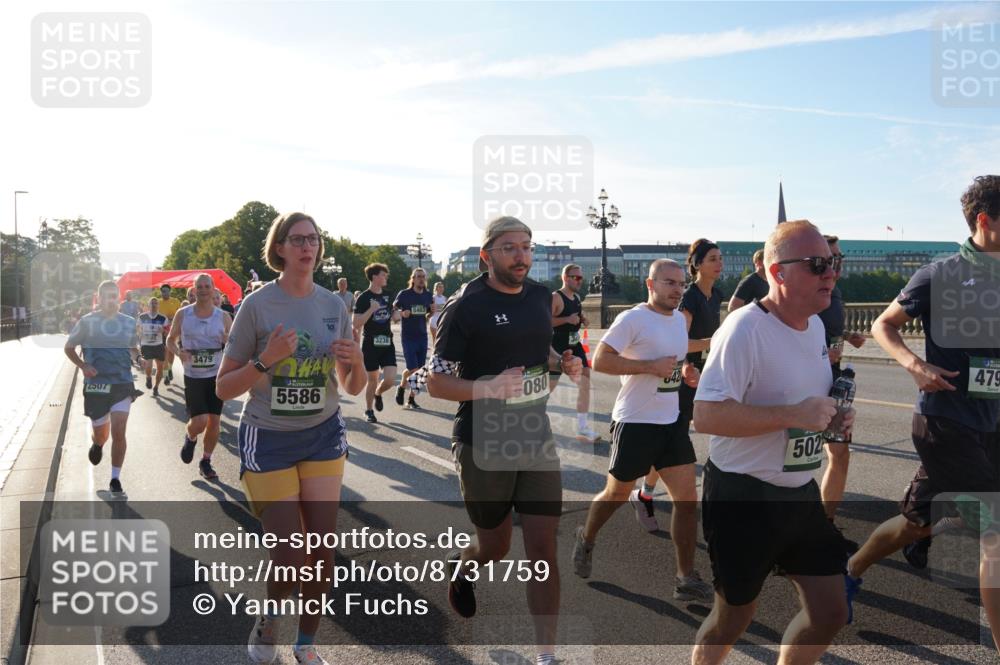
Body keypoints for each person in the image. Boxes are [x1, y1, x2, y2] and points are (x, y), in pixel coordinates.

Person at [691, 220, 855, 665]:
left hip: (799, 493)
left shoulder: (816, 328)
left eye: (834, 263)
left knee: (830, 610)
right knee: (734, 618)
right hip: (743, 497)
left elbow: (805, 405)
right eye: (819, 265)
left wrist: (830, 416)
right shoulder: (745, 330)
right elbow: (705, 414)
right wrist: (793, 414)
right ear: (779, 273)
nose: (831, 274)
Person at [847, 175, 1000, 650]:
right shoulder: (942, 273)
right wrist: (914, 364)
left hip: (991, 424)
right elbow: (883, 324)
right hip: (946, 423)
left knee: (920, 521)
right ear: (985, 221)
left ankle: (849, 570)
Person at [425, 216, 582, 665]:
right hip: (482, 439)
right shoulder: (466, 305)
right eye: (510, 247)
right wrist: (490, 387)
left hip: (534, 435)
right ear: (486, 255)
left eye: (527, 247)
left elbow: (541, 350)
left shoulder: (540, 298)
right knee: (496, 545)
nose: (521, 255)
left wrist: (560, 362)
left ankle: (546, 654)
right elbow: (436, 383)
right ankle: (462, 565)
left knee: (542, 545)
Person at [216, 212, 366, 665]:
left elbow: (354, 387)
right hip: (269, 437)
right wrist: (265, 360)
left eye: (314, 239)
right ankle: (270, 621)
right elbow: (223, 388)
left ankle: (305, 644)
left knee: (321, 549)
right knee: (288, 551)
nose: (308, 247)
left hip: (322, 435)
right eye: (297, 239)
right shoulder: (257, 306)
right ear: (279, 248)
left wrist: (356, 359)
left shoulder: (332, 305)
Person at [572, 259, 713, 601]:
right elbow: (601, 359)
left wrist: (687, 371)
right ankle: (586, 537)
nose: (677, 289)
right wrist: (649, 367)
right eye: (668, 283)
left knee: (687, 501)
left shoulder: (679, 320)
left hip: (671, 423)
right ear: (650, 285)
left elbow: (677, 359)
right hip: (634, 422)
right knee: (617, 495)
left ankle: (685, 578)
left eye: (680, 283)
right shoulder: (633, 318)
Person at [634, 239, 722, 531]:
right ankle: (645, 494)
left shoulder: (716, 294)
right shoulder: (692, 297)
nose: (719, 263)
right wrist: (711, 344)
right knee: (673, 441)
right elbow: (679, 342)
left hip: (706, 372)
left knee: (715, 426)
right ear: (697, 265)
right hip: (685, 375)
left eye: (720, 258)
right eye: (712, 259)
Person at [64, 280, 141, 497]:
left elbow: (132, 347)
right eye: (106, 296)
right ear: (99, 298)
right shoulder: (87, 322)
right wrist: (83, 365)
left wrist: (140, 358)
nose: (111, 300)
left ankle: (115, 479)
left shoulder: (127, 321)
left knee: (119, 429)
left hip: (122, 383)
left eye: (114, 296)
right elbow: (69, 348)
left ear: (119, 298)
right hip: (96, 386)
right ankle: (97, 445)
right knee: (101, 433)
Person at [817, 234, 866, 522]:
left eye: (840, 258)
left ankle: (825, 527)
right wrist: (822, 354)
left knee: (840, 455)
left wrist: (847, 335)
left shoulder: (833, 291)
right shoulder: (806, 293)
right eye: (833, 257)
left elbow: (827, 328)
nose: (839, 263)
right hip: (803, 390)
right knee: (787, 465)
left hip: (834, 387)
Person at [167, 273, 233, 480]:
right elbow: (170, 340)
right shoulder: (183, 314)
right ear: (194, 290)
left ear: (213, 289)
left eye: (207, 286)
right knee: (201, 420)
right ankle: (191, 436)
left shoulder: (223, 316)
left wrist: (227, 341)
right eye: (199, 287)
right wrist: (179, 353)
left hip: (216, 375)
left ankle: (206, 461)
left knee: (214, 420)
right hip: (193, 375)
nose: (203, 290)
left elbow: (235, 345)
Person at [549, 263, 601, 443]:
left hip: (574, 343)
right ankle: (531, 422)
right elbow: (543, 322)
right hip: (556, 347)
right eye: (576, 277)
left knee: (585, 382)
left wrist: (582, 319)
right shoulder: (556, 297)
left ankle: (583, 427)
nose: (579, 280)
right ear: (565, 278)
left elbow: (576, 316)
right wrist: (566, 319)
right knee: (547, 389)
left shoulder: (577, 298)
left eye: (581, 278)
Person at [353, 263, 400, 423]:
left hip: (387, 343)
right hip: (371, 344)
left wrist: (397, 315)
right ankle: (368, 410)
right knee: (372, 379)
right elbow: (356, 323)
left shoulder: (388, 295)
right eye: (383, 275)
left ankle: (378, 393)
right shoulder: (364, 298)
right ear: (374, 277)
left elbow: (392, 314)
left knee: (390, 379)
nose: (386, 277)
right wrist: (371, 310)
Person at [393, 268, 433, 409]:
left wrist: (431, 312)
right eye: (418, 276)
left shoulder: (428, 295)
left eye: (423, 276)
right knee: (413, 367)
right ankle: (402, 386)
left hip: (422, 336)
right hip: (408, 337)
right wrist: (402, 313)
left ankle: (411, 399)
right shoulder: (404, 294)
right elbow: (393, 310)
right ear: (413, 279)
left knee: (420, 370)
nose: (421, 279)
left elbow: (427, 314)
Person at [138, 297, 168, 397]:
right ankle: (148, 377)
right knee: (149, 365)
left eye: (156, 303)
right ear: (148, 305)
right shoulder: (142, 317)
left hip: (158, 344)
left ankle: (156, 387)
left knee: (160, 367)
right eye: (152, 303)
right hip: (146, 345)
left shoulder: (163, 318)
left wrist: (163, 331)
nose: (154, 305)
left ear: (158, 305)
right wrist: (140, 333)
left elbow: (168, 332)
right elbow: (137, 329)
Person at [157, 284, 183, 385]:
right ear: (161, 292)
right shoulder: (158, 302)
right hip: (162, 332)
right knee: (165, 353)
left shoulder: (175, 301)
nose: (165, 293)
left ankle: (170, 369)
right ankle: (166, 375)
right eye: (163, 291)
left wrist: (171, 318)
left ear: (170, 291)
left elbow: (179, 315)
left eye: (167, 291)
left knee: (171, 352)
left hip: (174, 331)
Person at [428, 280, 447, 347]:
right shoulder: (433, 298)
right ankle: (433, 354)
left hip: (442, 320)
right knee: (435, 339)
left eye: (442, 287)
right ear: (436, 288)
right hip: (434, 319)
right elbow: (430, 310)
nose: (441, 288)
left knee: (441, 339)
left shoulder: (445, 298)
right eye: (439, 287)